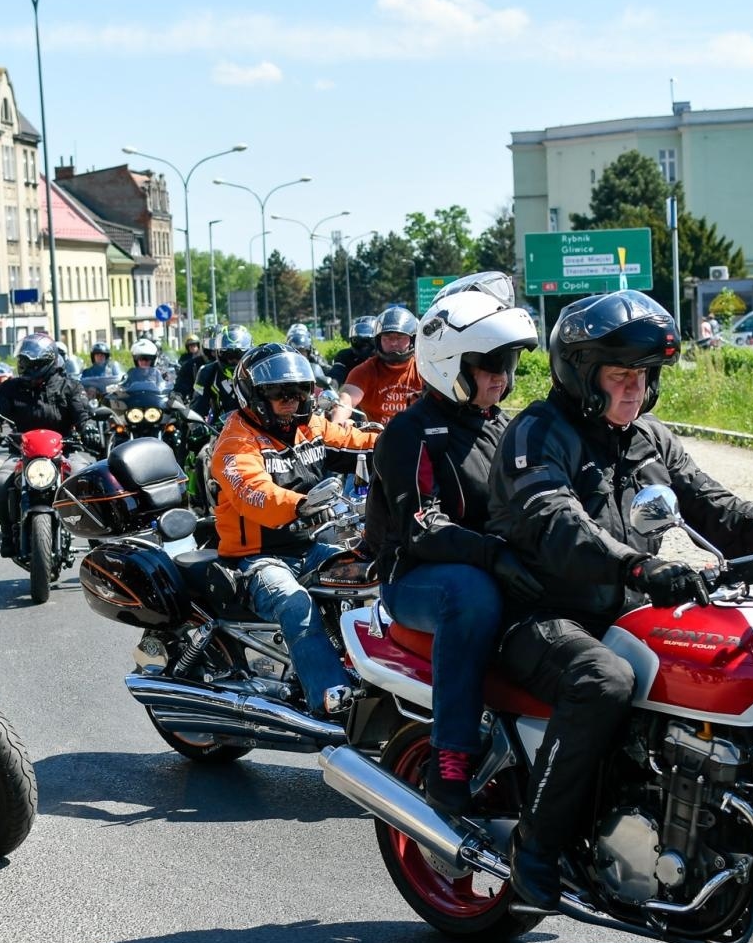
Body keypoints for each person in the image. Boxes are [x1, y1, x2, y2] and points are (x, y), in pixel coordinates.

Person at [487, 289, 753, 911]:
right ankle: (535, 847)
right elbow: (556, 523)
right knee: (603, 679)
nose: (634, 390)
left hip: (630, 608)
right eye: (620, 375)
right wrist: (641, 566)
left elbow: (723, 512)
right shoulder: (536, 433)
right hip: (539, 613)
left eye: (644, 377)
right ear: (580, 372)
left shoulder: (650, 437)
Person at [366, 274, 544, 814]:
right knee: (472, 594)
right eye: (490, 366)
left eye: (508, 365)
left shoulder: (503, 427)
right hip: (417, 577)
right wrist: (493, 554)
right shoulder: (408, 434)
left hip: (487, 562)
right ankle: (451, 758)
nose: (502, 378)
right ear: (451, 366)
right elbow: (423, 526)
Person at [212, 343, 378, 716]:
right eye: (279, 393)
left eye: (299, 391)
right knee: (295, 602)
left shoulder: (310, 427)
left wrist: (407, 443)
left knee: (367, 575)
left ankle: (378, 678)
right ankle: (330, 699)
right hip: (256, 558)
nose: (291, 400)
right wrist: (300, 505)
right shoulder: (236, 441)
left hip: (313, 545)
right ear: (254, 397)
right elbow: (253, 491)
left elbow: (357, 442)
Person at [0, 334, 98, 556]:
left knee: (87, 480)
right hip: (22, 453)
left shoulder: (69, 387)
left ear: (46, 364)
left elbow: (83, 413)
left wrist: (89, 429)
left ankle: (96, 539)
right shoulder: (11, 388)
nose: (25, 368)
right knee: (0, 483)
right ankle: (8, 533)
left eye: (31, 364)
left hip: (65, 450)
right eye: (23, 362)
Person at [332, 306, 423, 426]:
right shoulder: (364, 371)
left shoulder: (424, 368)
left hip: (419, 437)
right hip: (375, 439)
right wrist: (337, 423)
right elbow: (347, 399)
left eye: (400, 337)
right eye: (387, 337)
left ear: (413, 340)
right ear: (378, 340)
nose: (394, 342)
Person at [190, 323, 252, 424]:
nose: (233, 361)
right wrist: (197, 425)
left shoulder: (258, 370)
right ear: (218, 353)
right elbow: (198, 405)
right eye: (228, 355)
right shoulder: (207, 371)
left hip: (256, 425)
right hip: (221, 428)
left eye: (238, 355)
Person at [328, 316, 378, 387]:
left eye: (368, 340)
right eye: (357, 341)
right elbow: (337, 373)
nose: (364, 345)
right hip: (351, 395)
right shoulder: (345, 356)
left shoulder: (384, 357)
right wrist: (331, 385)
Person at [285, 324, 333, 389]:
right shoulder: (284, 362)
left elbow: (327, 370)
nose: (299, 354)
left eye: (302, 351)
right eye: (296, 351)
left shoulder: (316, 358)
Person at [175, 333, 205, 399]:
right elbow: (179, 365)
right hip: (188, 382)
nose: (192, 347)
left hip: (201, 382)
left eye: (194, 345)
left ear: (198, 345)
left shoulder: (203, 356)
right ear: (187, 347)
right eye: (190, 345)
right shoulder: (184, 357)